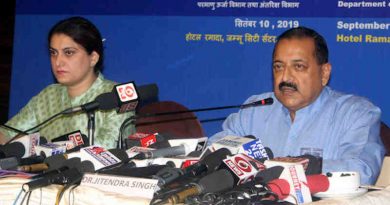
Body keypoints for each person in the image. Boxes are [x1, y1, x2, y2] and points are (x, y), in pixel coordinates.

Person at [209, 26, 385, 185]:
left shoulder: (355, 113)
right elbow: (214, 150)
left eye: (298, 66)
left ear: (324, 73)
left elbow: (362, 171)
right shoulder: (255, 110)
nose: (285, 78)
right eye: (278, 67)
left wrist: (304, 166)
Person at [0, 16, 134, 148]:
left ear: (93, 58)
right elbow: (6, 133)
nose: (58, 62)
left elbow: (107, 150)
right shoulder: (48, 95)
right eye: (53, 53)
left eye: (68, 53)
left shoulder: (116, 96)